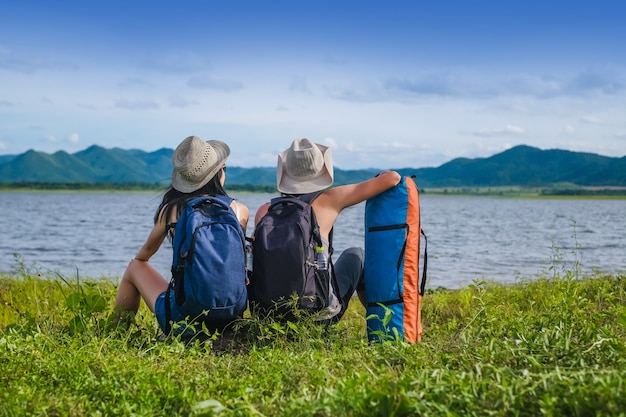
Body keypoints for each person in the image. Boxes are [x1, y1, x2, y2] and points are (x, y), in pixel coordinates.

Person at [253, 138, 401, 323]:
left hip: (271, 318)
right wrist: (384, 173)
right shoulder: (330, 200)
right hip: (318, 316)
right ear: (321, 169)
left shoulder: (265, 211)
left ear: (285, 171)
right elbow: (392, 178)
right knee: (356, 255)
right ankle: (378, 323)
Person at [113, 135, 249, 334]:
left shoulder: (171, 210)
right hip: (230, 317)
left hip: (182, 321)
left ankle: (114, 334)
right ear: (219, 173)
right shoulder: (239, 210)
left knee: (135, 266)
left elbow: (144, 256)